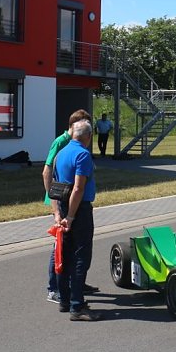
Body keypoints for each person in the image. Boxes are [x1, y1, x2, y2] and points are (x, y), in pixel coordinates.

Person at [42, 109, 98, 303]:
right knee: (70, 252)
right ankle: (60, 292)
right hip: (71, 206)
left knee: (66, 252)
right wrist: (58, 210)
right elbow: (51, 175)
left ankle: (70, 294)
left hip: (63, 202)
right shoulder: (64, 145)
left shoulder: (67, 150)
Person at [55, 119, 101, 321]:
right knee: (81, 256)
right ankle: (77, 306)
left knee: (64, 255)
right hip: (78, 210)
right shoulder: (83, 154)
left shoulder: (61, 153)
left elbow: (54, 188)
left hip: (63, 207)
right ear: (88, 137)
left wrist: (58, 215)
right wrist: (71, 217)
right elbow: (78, 188)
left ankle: (64, 300)